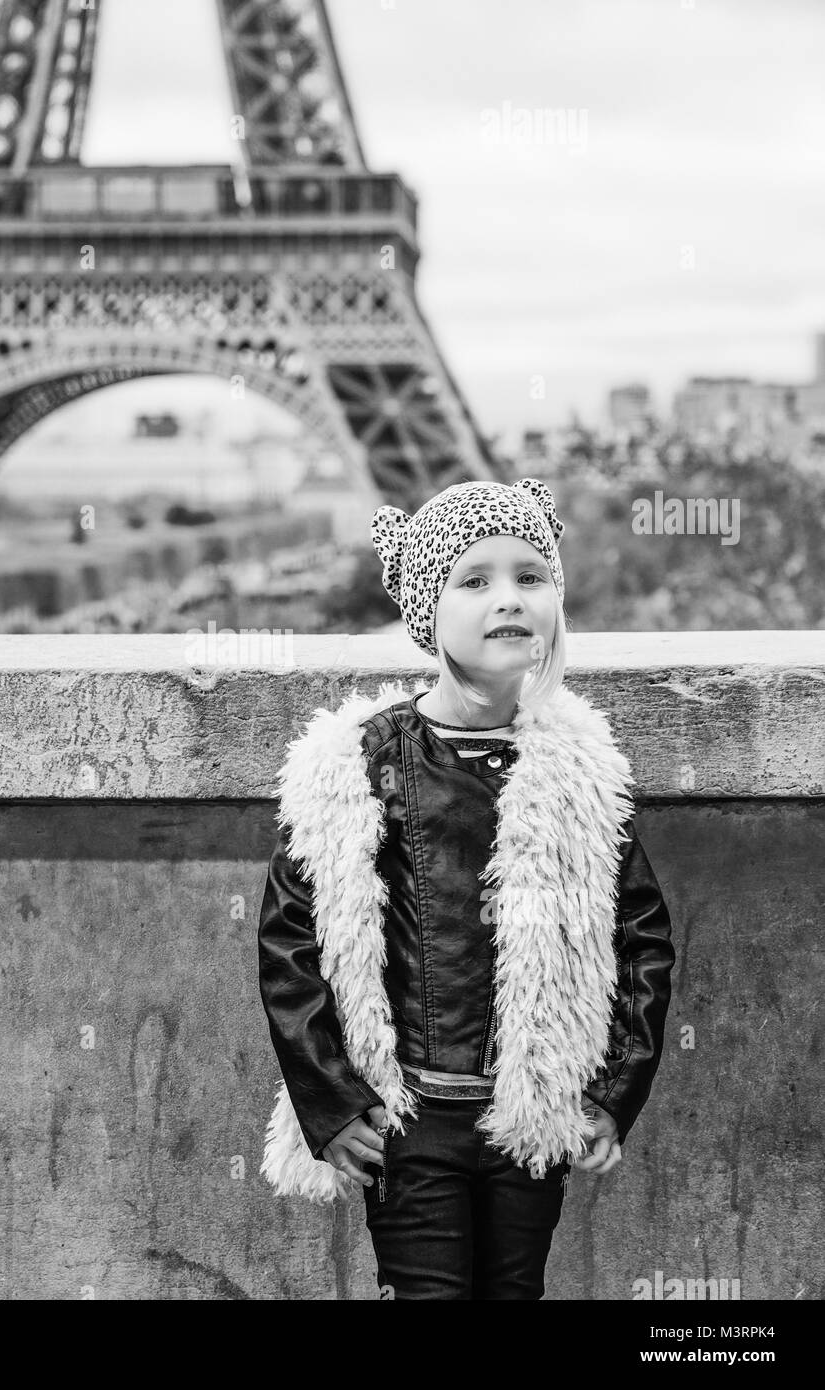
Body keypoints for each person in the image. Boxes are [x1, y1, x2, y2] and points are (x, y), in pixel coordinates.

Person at [257, 477, 675, 1300]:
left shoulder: (579, 769)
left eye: (531, 577)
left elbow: (641, 938)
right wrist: (333, 1102)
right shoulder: (360, 762)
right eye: (474, 580)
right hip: (410, 1119)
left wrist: (613, 1093)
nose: (508, 599)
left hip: (532, 1113)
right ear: (426, 610)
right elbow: (291, 941)